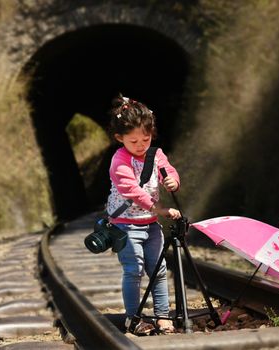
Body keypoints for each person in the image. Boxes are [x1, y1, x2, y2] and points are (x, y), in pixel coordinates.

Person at [106, 94, 181, 335]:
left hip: (150, 224)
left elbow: (166, 170)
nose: (140, 145)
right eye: (134, 140)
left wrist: (172, 181)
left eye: (146, 139)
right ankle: (133, 317)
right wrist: (161, 209)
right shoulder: (119, 160)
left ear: (152, 134)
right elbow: (134, 192)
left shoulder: (155, 154)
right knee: (134, 270)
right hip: (125, 225)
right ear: (120, 138)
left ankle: (162, 315)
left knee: (158, 269)